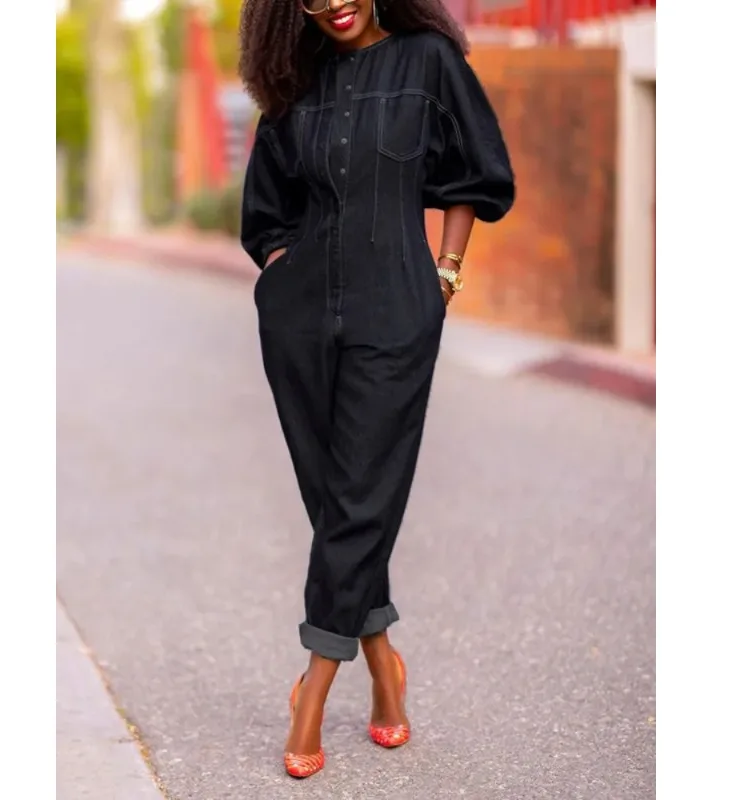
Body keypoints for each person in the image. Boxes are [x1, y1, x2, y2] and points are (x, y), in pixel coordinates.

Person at [238, 0, 515, 778]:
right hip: (299, 321)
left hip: (395, 310)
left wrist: (445, 274)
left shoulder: (429, 62)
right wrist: (279, 276)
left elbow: (475, 174)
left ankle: (312, 694)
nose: (332, 2)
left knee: (359, 500)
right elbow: (265, 213)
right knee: (339, 503)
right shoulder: (293, 83)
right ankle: (385, 666)